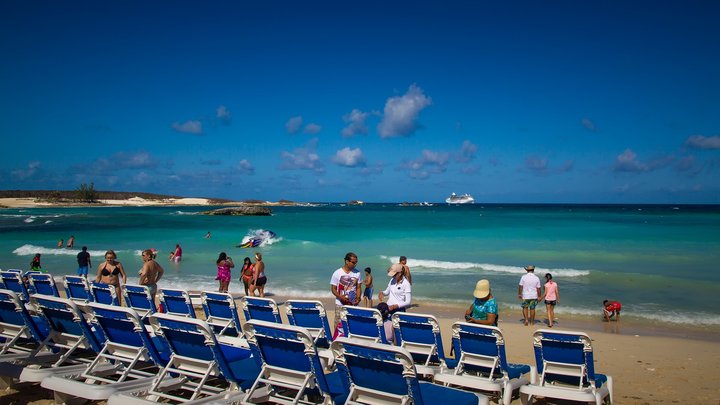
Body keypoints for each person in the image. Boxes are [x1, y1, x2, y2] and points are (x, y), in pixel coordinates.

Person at [330, 252, 363, 331]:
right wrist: (340, 297)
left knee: (353, 324)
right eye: (353, 262)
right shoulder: (337, 273)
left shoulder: (357, 273)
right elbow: (333, 289)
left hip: (353, 304)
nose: (355, 264)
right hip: (340, 304)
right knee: (338, 325)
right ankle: (337, 341)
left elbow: (358, 287)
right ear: (346, 261)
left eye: (356, 262)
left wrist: (358, 298)